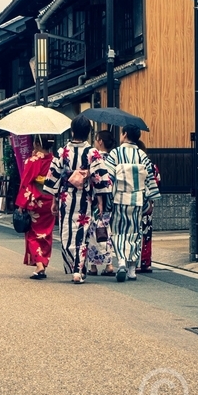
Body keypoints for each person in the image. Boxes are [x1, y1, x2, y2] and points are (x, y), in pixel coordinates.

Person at [43, 115, 111, 284]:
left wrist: (53, 200)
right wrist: (101, 202)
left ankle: (75, 267)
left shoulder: (62, 152)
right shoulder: (92, 153)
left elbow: (54, 177)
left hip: (66, 196)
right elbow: (100, 178)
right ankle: (78, 269)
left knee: (67, 233)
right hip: (86, 198)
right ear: (88, 132)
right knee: (83, 232)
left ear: (72, 131)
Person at [106, 124, 161, 282]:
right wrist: (150, 200)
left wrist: (105, 198)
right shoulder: (141, 155)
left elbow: (109, 177)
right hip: (137, 199)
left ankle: (121, 262)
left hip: (119, 199)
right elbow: (149, 178)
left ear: (124, 134)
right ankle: (131, 269)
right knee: (135, 232)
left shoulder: (115, 153)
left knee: (118, 231)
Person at [15, 135, 56, 280]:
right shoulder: (55, 161)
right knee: (46, 233)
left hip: (36, 200)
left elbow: (25, 182)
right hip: (50, 200)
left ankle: (39, 265)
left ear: (37, 143)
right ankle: (43, 263)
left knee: (33, 233)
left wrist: (21, 204)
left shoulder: (32, 161)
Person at [86, 129, 116, 276]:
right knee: (105, 231)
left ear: (100, 141)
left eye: (96, 139)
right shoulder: (114, 158)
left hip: (97, 199)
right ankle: (108, 263)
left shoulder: (96, 158)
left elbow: (96, 180)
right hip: (111, 199)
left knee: (93, 231)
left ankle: (93, 266)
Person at [136, 140, 160, 274]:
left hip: (135, 200)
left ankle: (136, 262)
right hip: (149, 202)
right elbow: (157, 182)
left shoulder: (133, 164)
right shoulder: (151, 166)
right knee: (147, 232)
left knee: (135, 231)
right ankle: (146, 262)